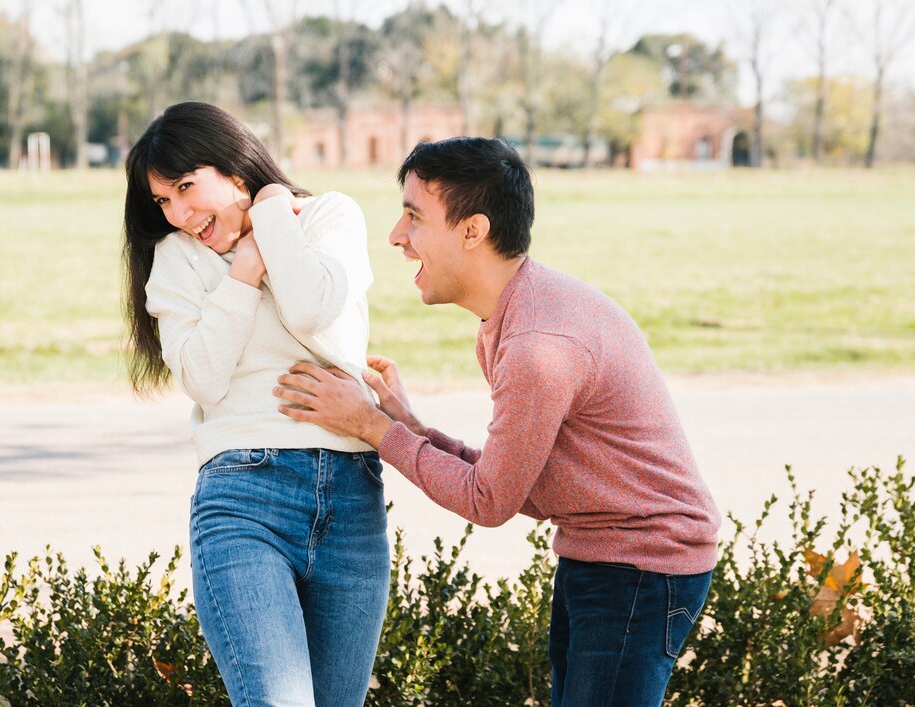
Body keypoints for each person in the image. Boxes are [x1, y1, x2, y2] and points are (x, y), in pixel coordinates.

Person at [273, 137, 722, 706]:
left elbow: (491, 503)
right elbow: (519, 484)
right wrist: (410, 425)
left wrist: (371, 427)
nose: (395, 236)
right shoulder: (515, 315)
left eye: (413, 215)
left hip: (641, 569)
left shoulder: (537, 345)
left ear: (472, 230)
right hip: (604, 556)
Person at [122, 101, 389, 707]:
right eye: (164, 201)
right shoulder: (178, 259)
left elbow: (311, 308)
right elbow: (203, 378)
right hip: (246, 497)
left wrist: (270, 218)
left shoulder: (326, 217)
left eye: (187, 188)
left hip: (351, 500)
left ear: (237, 172)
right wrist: (242, 273)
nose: (179, 214)